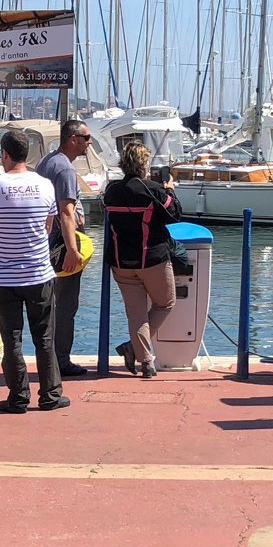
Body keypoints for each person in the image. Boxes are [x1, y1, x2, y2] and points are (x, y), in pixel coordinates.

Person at [0, 127, 66, 413]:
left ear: (5, 154)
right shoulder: (45, 185)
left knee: (11, 339)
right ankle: (50, 395)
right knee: (44, 337)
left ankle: (18, 397)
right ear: (26, 154)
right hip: (38, 272)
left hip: (5, 276)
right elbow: (49, 224)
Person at [102, 144, 184, 378]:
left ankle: (146, 361)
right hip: (152, 259)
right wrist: (170, 190)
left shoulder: (112, 191)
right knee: (165, 303)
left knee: (135, 314)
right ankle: (132, 348)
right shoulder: (153, 190)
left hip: (121, 261)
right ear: (144, 164)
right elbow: (175, 214)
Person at [36, 120, 93, 376]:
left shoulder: (46, 162)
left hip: (44, 245)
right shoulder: (65, 170)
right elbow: (67, 212)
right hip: (62, 246)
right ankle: (61, 360)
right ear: (73, 139)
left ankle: (48, 357)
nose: (89, 142)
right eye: (86, 138)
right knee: (67, 304)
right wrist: (72, 249)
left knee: (49, 305)